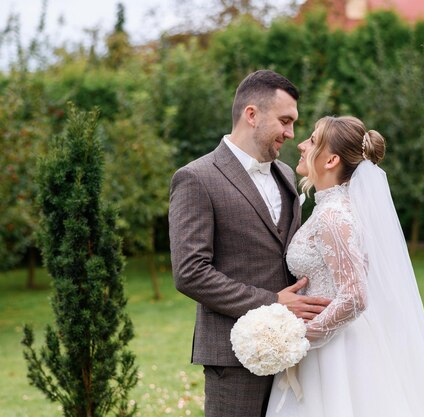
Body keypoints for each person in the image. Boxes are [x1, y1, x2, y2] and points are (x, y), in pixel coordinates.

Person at [266, 116, 424, 417]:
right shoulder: (330, 209)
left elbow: (355, 295)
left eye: (312, 140)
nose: (301, 144)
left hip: (336, 354)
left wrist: (299, 336)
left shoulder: (333, 216)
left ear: (331, 160)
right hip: (327, 345)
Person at [169, 69, 331, 417]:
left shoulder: (287, 174)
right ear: (252, 114)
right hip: (235, 354)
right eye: (285, 121)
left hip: (296, 352)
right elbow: (190, 272)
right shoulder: (196, 178)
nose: (291, 133)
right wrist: (272, 302)